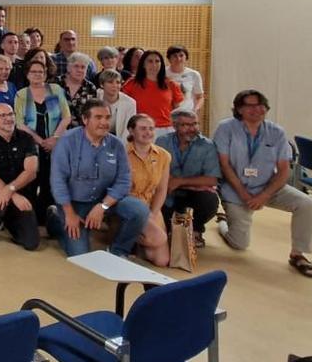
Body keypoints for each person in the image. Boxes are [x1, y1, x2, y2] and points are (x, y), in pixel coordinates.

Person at [215, 89, 312, 277]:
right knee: (239, 244)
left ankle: (298, 254)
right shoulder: (225, 128)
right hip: (235, 188)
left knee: (307, 203)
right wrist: (243, 193)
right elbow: (224, 165)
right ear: (239, 109)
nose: (257, 109)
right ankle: (224, 224)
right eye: (250, 105)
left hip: (268, 186)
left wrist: (264, 195)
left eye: (260, 105)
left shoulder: (276, 132)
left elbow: (284, 170)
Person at [46, 99, 149, 257]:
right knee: (80, 255)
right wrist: (69, 213)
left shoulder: (117, 144)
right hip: (74, 203)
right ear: (85, 119)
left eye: (107, 118)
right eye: (98, 117)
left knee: (139, 210)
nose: (104, 122)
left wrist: (103, 206)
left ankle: (118, 251)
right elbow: (58, 182)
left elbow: (124, 181)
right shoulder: (67, 141)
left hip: (104, 199)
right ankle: (56, 219)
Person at [14, 59, 72, 225]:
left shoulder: (56, 90)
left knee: (52, 180)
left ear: (46, 74)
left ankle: (50, 218)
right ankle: (31, 218)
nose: (37, 75)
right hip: (31, 143)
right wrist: (40, 141)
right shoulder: (21, 94)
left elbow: (66, 117)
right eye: (33, 72)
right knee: (32, 180)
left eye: (41, 72)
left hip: (56, 142)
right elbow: (19, 123)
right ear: (27, 74)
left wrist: (54, 139)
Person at [0, 103, 40, 250]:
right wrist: (11, 194)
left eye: (10, 114)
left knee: (31, 243)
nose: (7, 118)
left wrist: (11, 189)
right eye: (2, 116)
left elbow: (31, 172)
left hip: (23, 193)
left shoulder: (27, 139)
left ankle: (9, 221)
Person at [156, 109, 221, 247]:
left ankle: (196, 230)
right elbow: (154, 169)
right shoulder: (162, 142)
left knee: (210, 201)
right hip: (168, 190)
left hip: (194, 191)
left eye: (195, 124)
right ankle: (169, 227)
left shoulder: (208, 146)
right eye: (186, 125)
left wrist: (180, 181)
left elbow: (212, 179)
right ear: (174, 126)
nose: (192, 129)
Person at [124, 114, 171, 267]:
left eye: (151, 128)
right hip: (129, 206)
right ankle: (124, 237)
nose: (148, 132)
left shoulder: (164, 156)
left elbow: (162, 189)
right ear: (131, 131)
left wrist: (154, 213)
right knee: (157, 239)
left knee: (161, 261)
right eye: (142, 128)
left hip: (151, 206)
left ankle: (137, 243)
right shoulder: (121, 153)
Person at [122, 50, 184, 137]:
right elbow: (124, 106)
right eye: (150, 61)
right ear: (143, 64)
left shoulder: (171, 84)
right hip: (140, 129)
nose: (154, 65)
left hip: (166, 130)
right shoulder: (132, 83)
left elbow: (177, 110)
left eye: (157, 61)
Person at [61, 52, 100, 126]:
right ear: (68, 68)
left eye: (83, 67)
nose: (79, 70)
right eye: (76, 66)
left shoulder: (91, 88)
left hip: (80, 132)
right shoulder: (55, 83)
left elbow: (91, 114)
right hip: (55, 132)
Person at [96, 69, 137, 137]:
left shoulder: (130, 103)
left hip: (119, 139)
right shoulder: (95, 96)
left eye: (118, 82)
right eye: (110, 82)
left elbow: (128, 131)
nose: (115, 85)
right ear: (101, 84)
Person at [166, 45, 204, 114]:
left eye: (181, 55)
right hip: (166, 114)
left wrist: (195, 110)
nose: (178, 59)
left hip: (187, 113)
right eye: (175, 56)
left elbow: (200, 97)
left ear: (186, 57)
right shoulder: (162, 73)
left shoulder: (194, 74)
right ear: (169, 58)